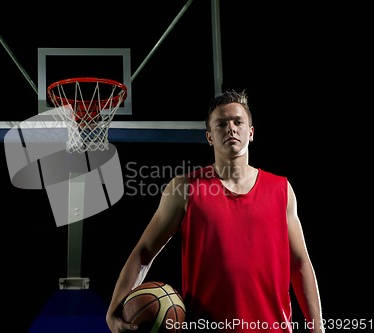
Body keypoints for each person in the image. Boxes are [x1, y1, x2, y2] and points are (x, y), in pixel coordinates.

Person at [105, 89, 324, 333]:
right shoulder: (184, 188)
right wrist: (113, 311)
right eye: (221, 124)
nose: (231, 128)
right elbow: (144, 252)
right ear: (209, 137)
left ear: (251, 133)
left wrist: (318, 328)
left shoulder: (281, 189)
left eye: (238, 122)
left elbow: (300, 262)